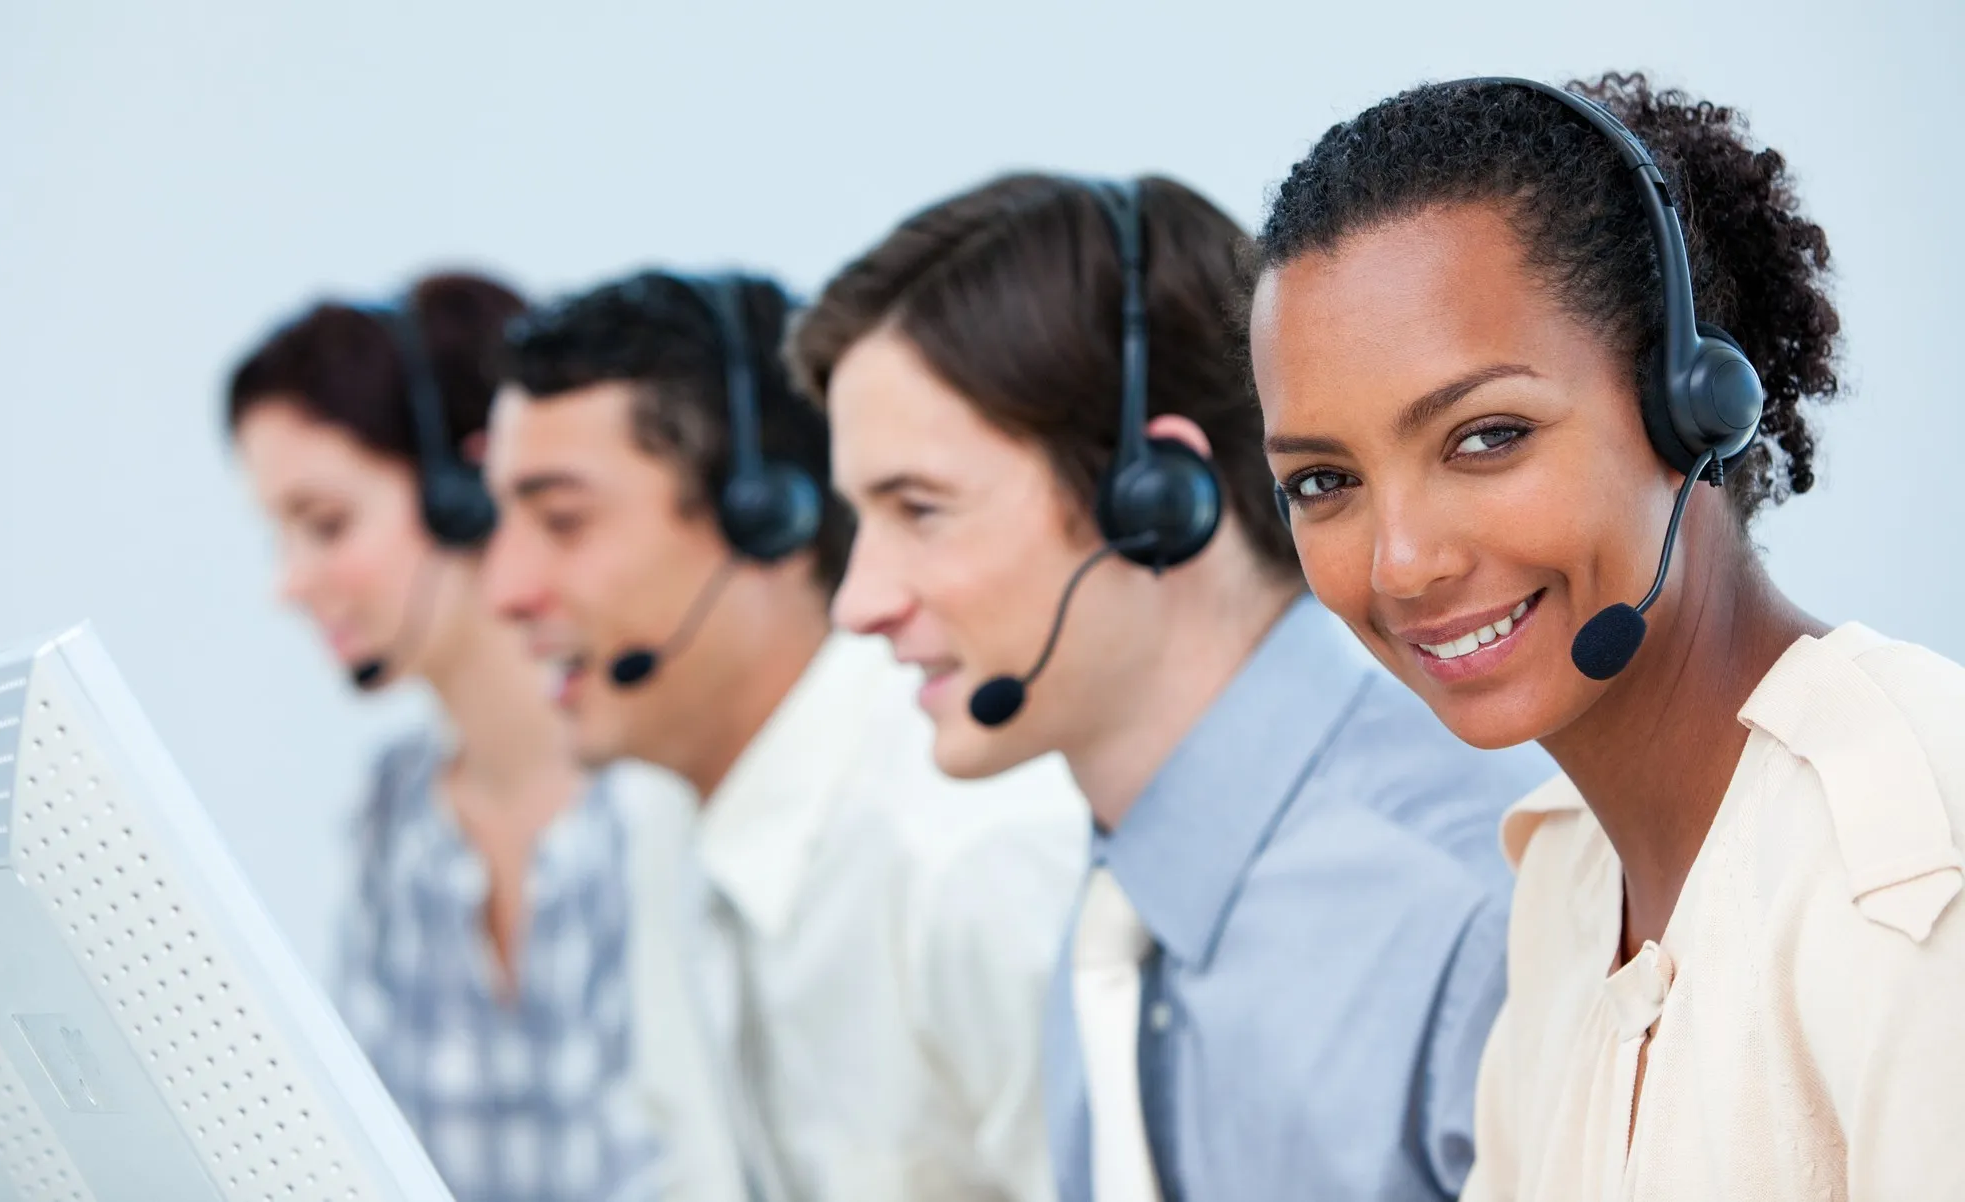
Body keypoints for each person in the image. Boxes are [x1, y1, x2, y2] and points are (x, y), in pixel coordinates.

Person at [1250, 72, 1965, 1201]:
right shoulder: (1566, 879)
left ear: (1691, 408)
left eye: (1485, 436)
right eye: (1323, 479)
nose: (1399, 561)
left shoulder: (1908, 855)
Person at [789, 173, 1553, 1202]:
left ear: (1156, 499)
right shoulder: (1115, 915)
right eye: (859, 520)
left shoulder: (1465, 915)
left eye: (918, 508)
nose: (857, 601)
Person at [480, 269, 1090, 1202]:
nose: (505, 590)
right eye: (499, 524)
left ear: (766, 521)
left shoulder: (967, 860)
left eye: (562, 520)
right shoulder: (662, 825)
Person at [226, 272, 667, 1202]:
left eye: (326, 523)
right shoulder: (394, 816)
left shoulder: (662, 795)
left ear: (462, 492)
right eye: (279, 537)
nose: (288, 584)